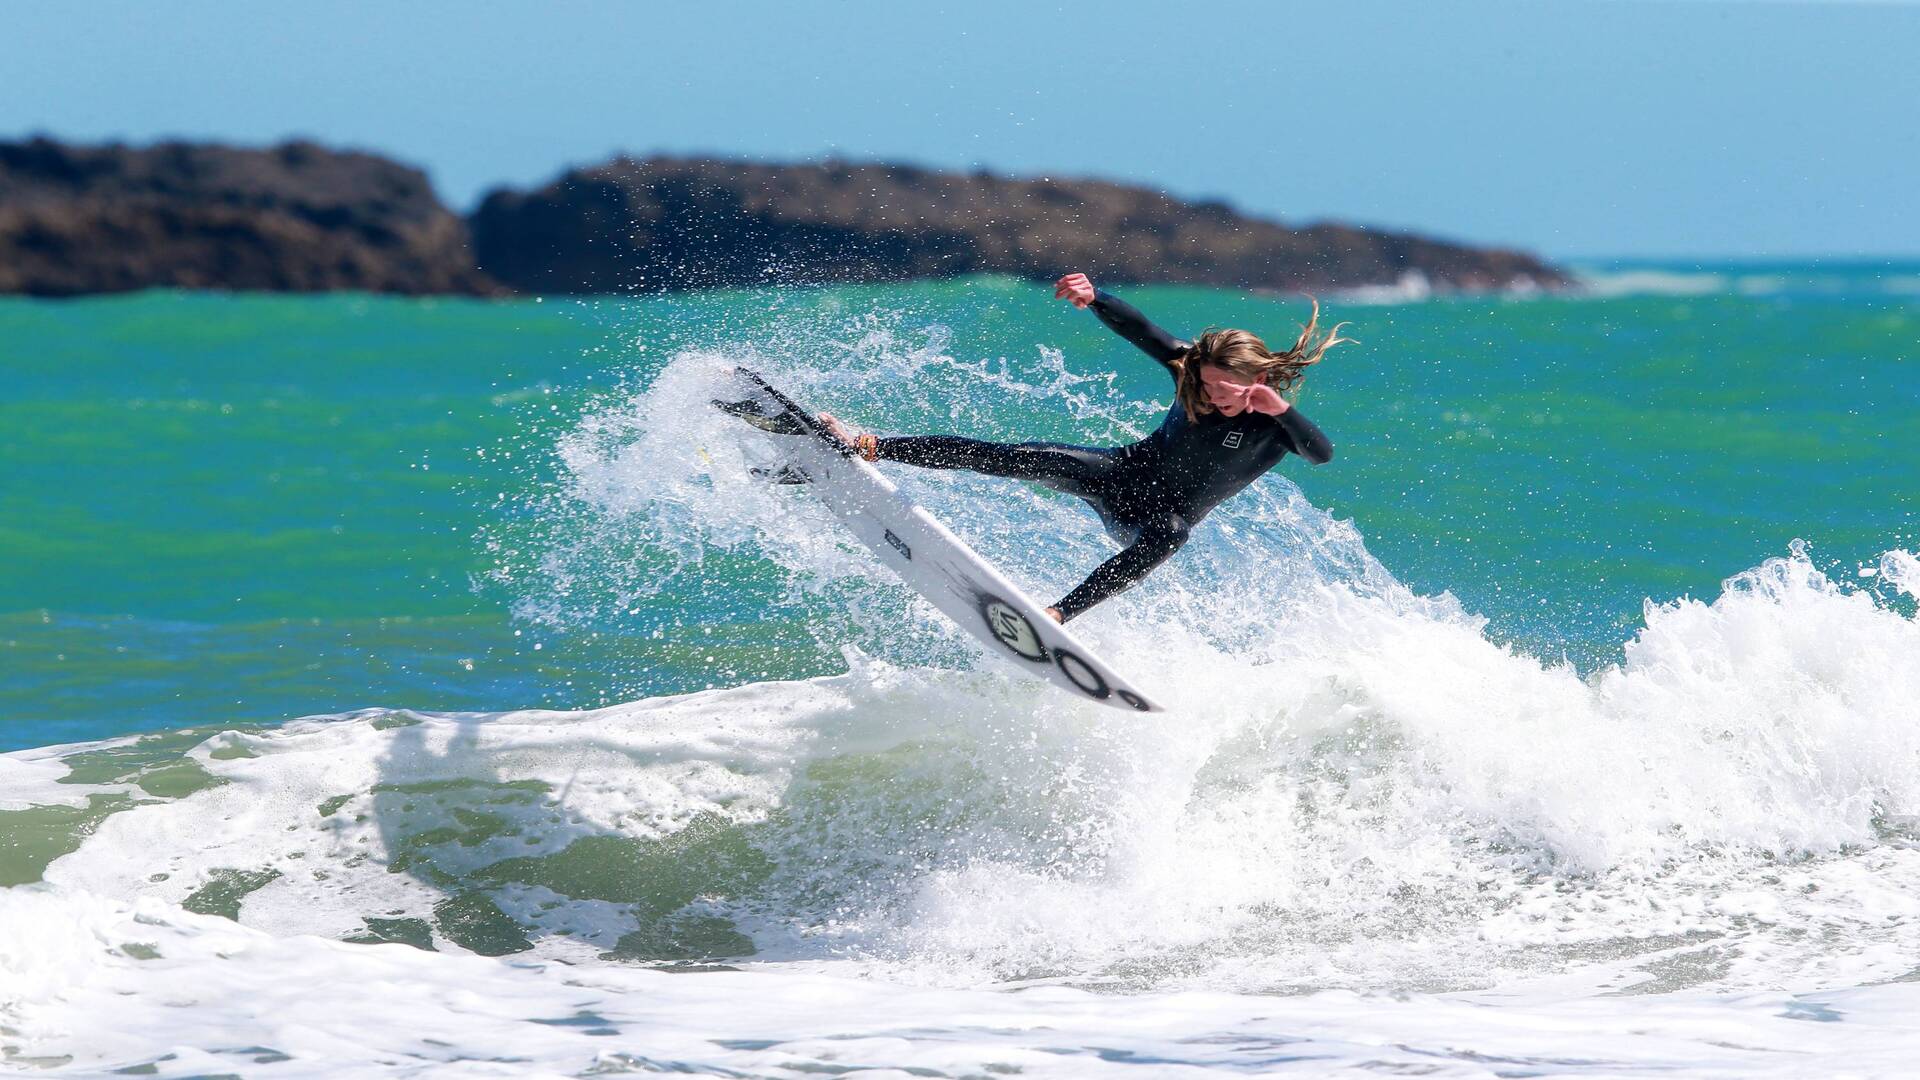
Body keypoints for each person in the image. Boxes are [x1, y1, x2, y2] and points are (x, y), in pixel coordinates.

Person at [822, 272, 1344, 624]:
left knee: (1171, 535)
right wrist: (1096, 298)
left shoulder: (1275, 424)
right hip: (1122, 473)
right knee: (1028, 458)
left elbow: (1321, 453)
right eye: (1207, 386)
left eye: (1225, 391)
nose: (1213, 397)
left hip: (1160, 515)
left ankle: (1057, 616)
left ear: (1258, 381)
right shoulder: (1192, 374)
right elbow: (1142, 329)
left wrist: (1281, 412)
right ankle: (867, 443)